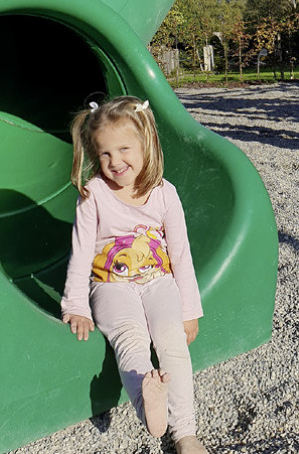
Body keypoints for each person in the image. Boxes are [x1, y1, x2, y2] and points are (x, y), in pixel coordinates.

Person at [61, 96, 207, 454]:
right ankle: (151, 409)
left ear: (146, 143)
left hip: (159, 281)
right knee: (131, 339)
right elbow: (80, 254)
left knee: (171, 338)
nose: (115, 161)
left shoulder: (164, 193)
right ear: (95, 154)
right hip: (111, 285)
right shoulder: (93, 195)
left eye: (124, 149)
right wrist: (76, 305)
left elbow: (181, 254)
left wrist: (190, 309)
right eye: (105, 153)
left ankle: (186, 434)